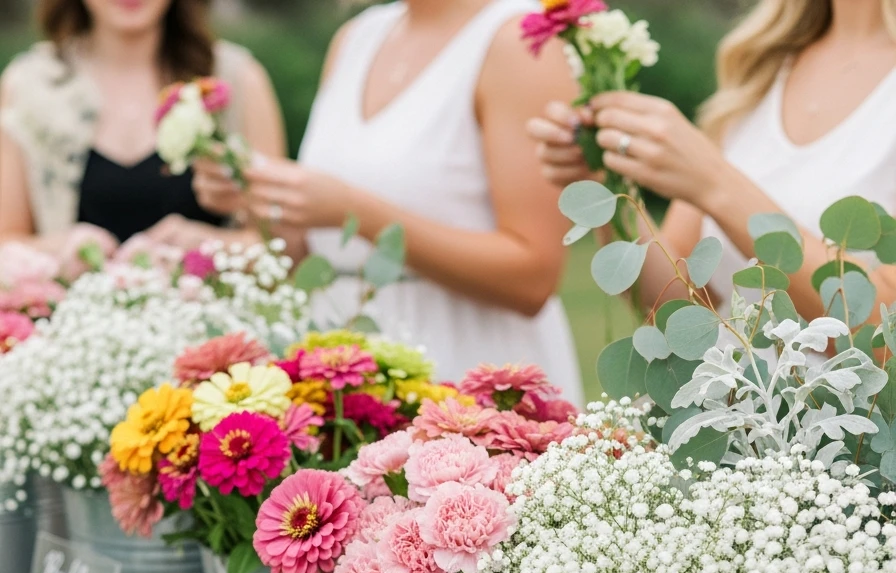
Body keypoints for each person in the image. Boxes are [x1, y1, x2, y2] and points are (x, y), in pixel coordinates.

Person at [193, 0, 583, 398]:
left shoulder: (516, 42)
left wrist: (355, 213)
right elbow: (317, 252)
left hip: (471, 375)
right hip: (350, 382)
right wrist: (256, 197)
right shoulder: (356, 38)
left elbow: (533, 277)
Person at [527, 0, 896, 318]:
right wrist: (608, 181)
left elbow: (883, 338)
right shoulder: (762, 64)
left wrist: (716, 184)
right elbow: (676, 312)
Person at [0, 0, 285, 258]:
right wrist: (60, 250)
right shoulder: (28, 86)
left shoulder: (235, 80)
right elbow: (6, 244)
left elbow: (283, 245)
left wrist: (209, 247)